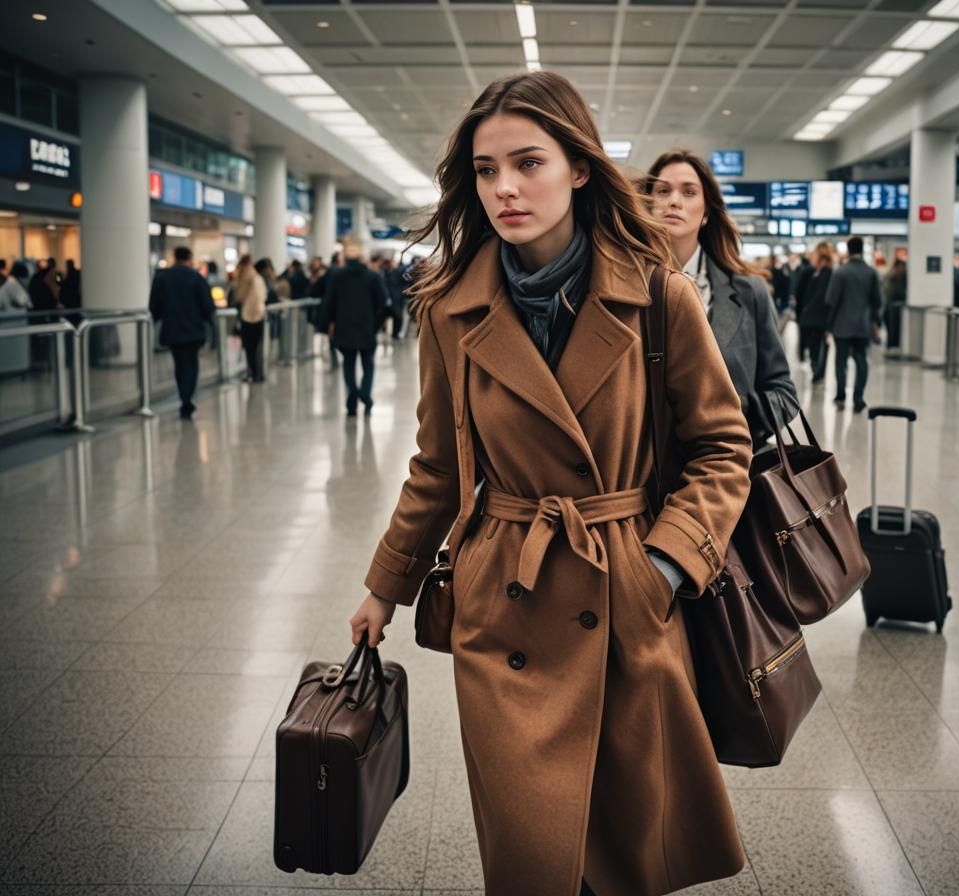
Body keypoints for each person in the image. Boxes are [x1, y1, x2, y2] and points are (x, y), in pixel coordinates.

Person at [346, 71, 752, 896]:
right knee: (532, 853)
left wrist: (664, 568)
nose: (504, 188)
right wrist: (383, 588)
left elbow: (723, 447)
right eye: (486, 170)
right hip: (506, 599)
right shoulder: (446, 307)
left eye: (528, 163)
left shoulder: (656, 292)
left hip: (625, 588)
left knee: (626, 848)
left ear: (578, 167)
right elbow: (439, 465)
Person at [642, 148, 798, 440]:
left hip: (732, 471)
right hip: (646, 476)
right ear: (648, 205)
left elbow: (783, 393)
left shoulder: (749, 291)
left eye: (689, 192)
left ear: (706, 214)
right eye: (663, 191)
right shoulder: (622, 287)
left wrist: (730, 423)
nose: (674, 201)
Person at [320, 243, 387, 416]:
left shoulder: (337, 276)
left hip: (344, 327)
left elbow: (329, 302)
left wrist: (326, 324)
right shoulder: (373, 276)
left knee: (348, 364)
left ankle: (352, 397)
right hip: (367, 327)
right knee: (368, 364)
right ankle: (365, 394)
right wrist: (377, 324)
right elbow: (383, 303)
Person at [148, 246, 215, 419]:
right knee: (192, 363)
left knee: (179, 364)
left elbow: (154, 307)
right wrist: (211, 326)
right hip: (194, 330)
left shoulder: (162, 278)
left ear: (175, 257)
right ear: (189, 258)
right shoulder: (197, 277)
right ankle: (187, 397)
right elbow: (208, 306)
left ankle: (184, 397)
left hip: (173, 329)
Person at [825, 235, 883, 413]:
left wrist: (828, 325)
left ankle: (841, 395)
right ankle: (858, 398)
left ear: (849, 250)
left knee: (840, 361)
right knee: (861, 360)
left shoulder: (841, 272)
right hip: (862, 326)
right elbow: (878, 301)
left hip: (842, 326)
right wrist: (875, 322)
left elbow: (831, 300)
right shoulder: (871, 272)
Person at [797, 242, 836, 383]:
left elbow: (822, 299)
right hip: (814, 319)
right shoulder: (816, 273)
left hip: (819, 320)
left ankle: (818, 373)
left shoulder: (826, 274)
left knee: (818, 348)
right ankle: (817, 371)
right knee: (815, 348)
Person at [232, 254, 266, 383]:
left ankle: (253, 373)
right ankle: (258, 373)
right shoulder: (257, 277)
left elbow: (238, 296)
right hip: (258, 315)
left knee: (249, 347)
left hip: (248, 317)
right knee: (256, 346)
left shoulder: (245, 277)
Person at [882, 257, 907, 354]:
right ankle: (891, 346)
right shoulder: (895, 276)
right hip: (891, 306)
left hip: (889, 305)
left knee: (892, 328)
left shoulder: (891, 275)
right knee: (892, 328)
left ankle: (891, 346)